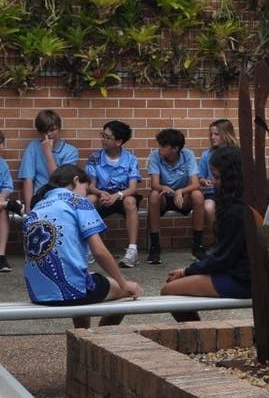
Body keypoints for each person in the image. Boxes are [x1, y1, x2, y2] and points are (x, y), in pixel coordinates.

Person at [22, 163, 140, 307]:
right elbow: (99, 252)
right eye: (85, 189)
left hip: (37, 294)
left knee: (86, 277)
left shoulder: (35, 209)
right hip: (73, 292)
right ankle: (104, 322)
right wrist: (124, 283)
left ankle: (83, 322)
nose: (85, 194)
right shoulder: (78, 202)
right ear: (76, 180)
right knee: (127, 289)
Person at [160, 146, 250, 302]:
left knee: (169, 290)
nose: (214, 182)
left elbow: (222, 259)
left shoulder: (236, 211)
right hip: (244, 272)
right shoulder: (248, 199)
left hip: (242, 280)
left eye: (218, 177)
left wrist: (186, 271)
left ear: (231, 178)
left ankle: (193, 320)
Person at [85, 120, 142, 269]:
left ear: (118, 142)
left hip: (123, 196)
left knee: (131, 201)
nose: (103, 139)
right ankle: (90, 247)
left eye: (107, 137)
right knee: (89, 199)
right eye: (102, 135)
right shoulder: (95, 157)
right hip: (102, 195)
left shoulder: (131, 159)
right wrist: (100, 193)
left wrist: (117, 195)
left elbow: (133, 188)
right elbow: (90, 186)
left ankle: (132, 250)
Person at [146, 128, 204, 265]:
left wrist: (181, 191)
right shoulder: (155, 155)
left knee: (198, 195)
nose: (159, 148)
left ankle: (198, 246)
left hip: (182, 198)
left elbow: (195, 184)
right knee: (153, 195)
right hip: (164, 198)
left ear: (175, 148)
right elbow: (154, 184)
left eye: (163, 145)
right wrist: (163, 188)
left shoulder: (188, 155)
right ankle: (155, 247)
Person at [18, 109, 78, 209]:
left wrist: (48, 153)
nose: (49, 134)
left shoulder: (71, 152)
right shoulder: (33, 147)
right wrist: (29, 209)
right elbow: (28, 179)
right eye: (45, 131)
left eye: (52, 130)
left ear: (59, 128)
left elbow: (59, 181)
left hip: (61, 198)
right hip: (40, 197)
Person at [197, 119, 238, 239]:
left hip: (233, 192)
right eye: (211, 134)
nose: (213, 137)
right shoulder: (207, 154)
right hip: (212, 193)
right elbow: (200, 177)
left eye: (216, 134)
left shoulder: (236, 153)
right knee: (209, 207)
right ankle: (217, 239)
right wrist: (204, 181)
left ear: (226, 134)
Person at [0, 132, 23, 272]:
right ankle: (9, 205)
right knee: (4, 206)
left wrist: (2, 197)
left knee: (2, 211)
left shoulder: (2, 164)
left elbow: (7, 186)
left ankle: (0, 256)